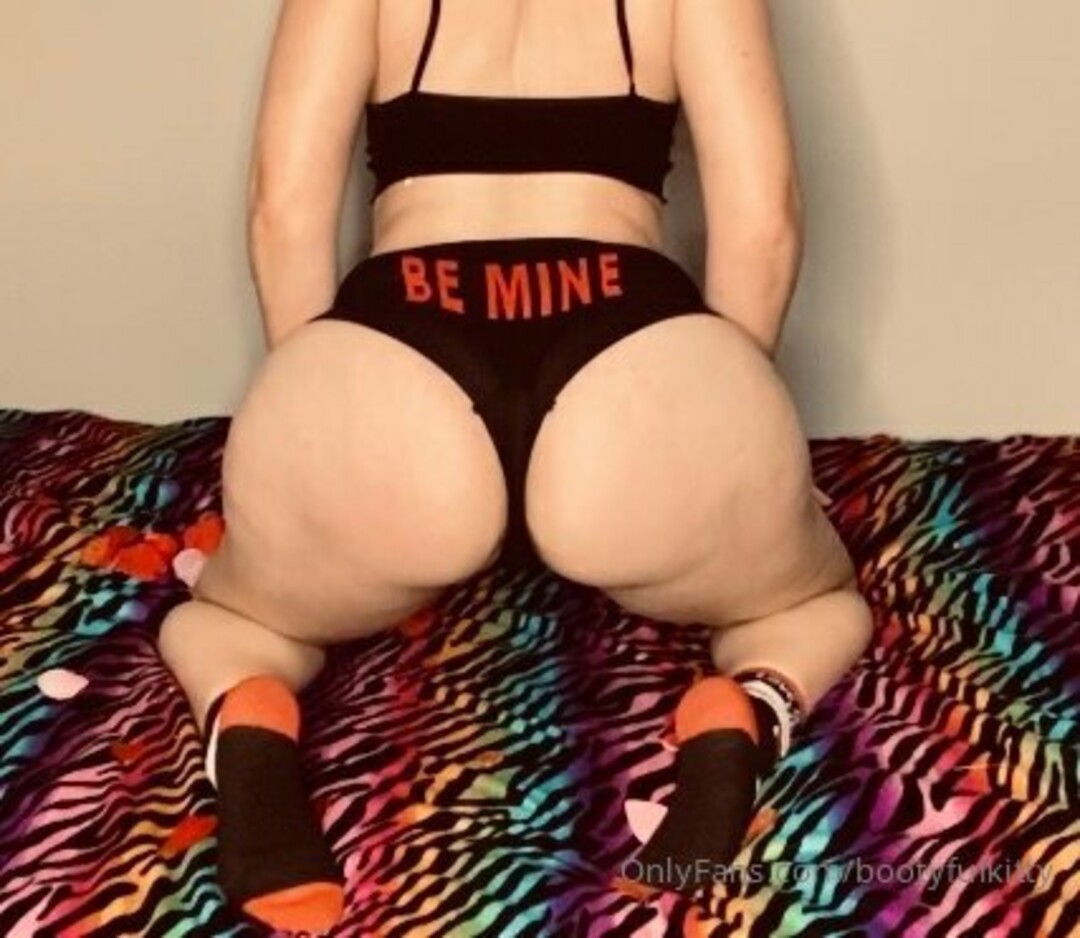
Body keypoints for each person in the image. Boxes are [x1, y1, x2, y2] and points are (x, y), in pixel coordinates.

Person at [157, 0, 873, 931]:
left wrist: (315, 425)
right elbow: (763, 223)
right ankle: (754, 707)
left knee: (237, 620)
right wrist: (723, 423)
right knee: (813, 603)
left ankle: (246, 707)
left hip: (402, 331)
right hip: (630, 335)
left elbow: (282, 213)